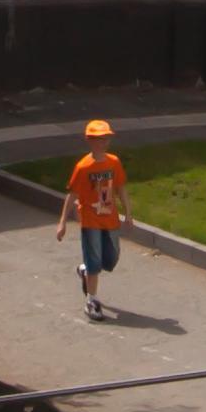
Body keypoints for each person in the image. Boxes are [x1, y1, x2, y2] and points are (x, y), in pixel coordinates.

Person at [55, 118, 129, 321]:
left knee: (110, 259)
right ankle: (92, 302)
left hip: (110, 219)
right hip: (90, 220)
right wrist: (62, 223)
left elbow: (120, 187)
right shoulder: (83, 167)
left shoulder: (113, 162)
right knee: (95, 260)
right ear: (90, 141)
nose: (104, 142)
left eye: (106, 138)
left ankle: (85, 270)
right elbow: (72, 194)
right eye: (99, 139)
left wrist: (128, 213)